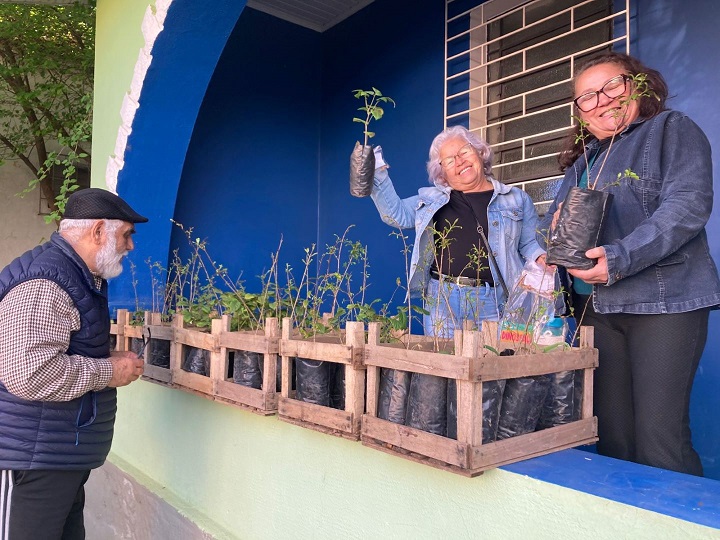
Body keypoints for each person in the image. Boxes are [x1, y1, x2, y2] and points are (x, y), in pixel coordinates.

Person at [540, 52, 720, 476]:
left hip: (662, 305)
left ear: (638, 85)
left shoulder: (670, 129)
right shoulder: (584, 162)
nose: (601, 100)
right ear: (580, 113)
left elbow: (688, 205)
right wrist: (553, 239)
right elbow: (556, 229)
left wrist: (619, 258)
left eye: (612, 86)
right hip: (593, 310)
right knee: (614, 439)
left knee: (660, 442)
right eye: (587, 97)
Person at [368, 125, 546, 436]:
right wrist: (377, 171)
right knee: (444, 372)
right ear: (442, 172)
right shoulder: (430, 200)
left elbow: (529, 243)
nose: (459, 161)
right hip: (442, 297)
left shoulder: (515, 199)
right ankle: (449, 439)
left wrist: (541, 258)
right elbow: (395, 214)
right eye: (449, 160)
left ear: (480, 153)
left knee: (494, 371)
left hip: (496, 300)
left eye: (464, 152)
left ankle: (485, 439)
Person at [0, 188, 149, 539]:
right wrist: (109, 371)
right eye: (126, 235)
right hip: (32, 460)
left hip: (55, 454)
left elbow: (53, 350)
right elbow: (30, 373)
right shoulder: (46, 282)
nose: (130, 246)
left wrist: (106, 357)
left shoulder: (75, 275)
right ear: (98, 231)